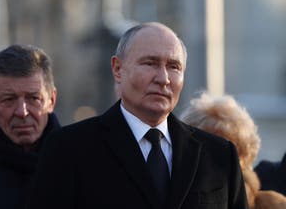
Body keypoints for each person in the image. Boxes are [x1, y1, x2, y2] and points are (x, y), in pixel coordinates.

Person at [28, 22, 248, 209]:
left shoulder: (219, 156)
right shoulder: (69, 149)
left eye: (174, 67)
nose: (163, 78)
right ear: (117, 68)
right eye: (150, 63)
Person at [0, 44, 60, 209]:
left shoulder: (84, 169)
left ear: (51, 100)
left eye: (33, 98)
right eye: (9, 99)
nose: (22, 112)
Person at [180, 92, 286, 209]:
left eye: (228, 152)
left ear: (244, 157)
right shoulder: (169, 193)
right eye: (207, 152)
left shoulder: (273, 205)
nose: (214, 163)